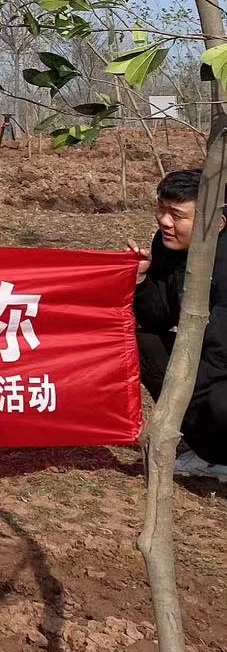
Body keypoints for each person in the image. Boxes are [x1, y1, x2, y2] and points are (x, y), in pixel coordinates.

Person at [132, 169, 227, 481]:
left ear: (217, 223)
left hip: (220, 365)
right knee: (141, 342)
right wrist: (143, 280)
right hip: (206, 360)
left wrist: (190, 386)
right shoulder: (167, 245)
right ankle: (207, 449)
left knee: (219, 401)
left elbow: (221, 349)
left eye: (176, 214)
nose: (164, 221)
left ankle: (217, 453)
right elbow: (156, 316)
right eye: (161, 209)